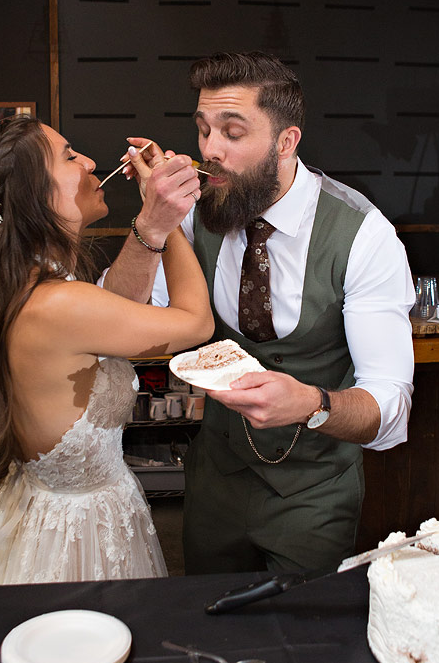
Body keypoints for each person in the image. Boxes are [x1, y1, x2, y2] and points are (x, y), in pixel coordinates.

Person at [129, 50, 415, 575]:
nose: (209, 151)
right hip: (216, 478)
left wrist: (311, 402)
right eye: (203, 129)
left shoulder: (363, 236)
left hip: (314, 490)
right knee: (207, 618)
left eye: (232, 133)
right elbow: (133, 320)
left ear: (287, 141)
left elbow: (390, 407)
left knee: (307, 637)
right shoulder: (196, 213)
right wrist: (155, 223)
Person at [0, 114, 213, 584]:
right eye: (68, 156)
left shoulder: (12, 289)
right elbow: (196, 322)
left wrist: (150, 226)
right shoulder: (60, 302)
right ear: (34, 196)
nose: (88, 161)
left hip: (35, 514)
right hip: (79, 538)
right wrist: (170, 219)